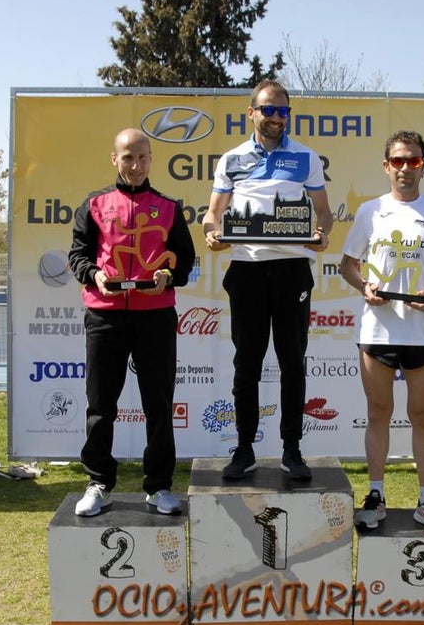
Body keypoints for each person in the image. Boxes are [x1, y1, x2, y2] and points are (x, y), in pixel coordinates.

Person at [202, 80, 334, 482]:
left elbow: (324, 213)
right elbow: (212, 214)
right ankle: (244, 448)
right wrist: (211, 233)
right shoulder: (231, 159)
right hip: (246, 271)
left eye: (283, 111)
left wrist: (322, 234)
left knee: (293, 363)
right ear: (251, 112)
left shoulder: (306, 158)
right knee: (248, 363)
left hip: (293, 268)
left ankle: (292, 451)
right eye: (268, 110)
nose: (276, 117)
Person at [338, 131, 424, 534]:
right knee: (378, 414)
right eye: (398, 160)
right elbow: (347, 265)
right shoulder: (370, 211)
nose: (405, 168)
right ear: (386, 165)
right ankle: (375, 495)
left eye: (413, 160)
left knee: (421, 416)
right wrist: (365, 288)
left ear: (423, 164)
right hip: (379, 330)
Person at [67, 128, 196, 517]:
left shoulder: (169, 207)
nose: (136, 166)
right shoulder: (93, 204)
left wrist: (167, 279)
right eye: (128, 158)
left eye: (142, 157)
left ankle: (158, 487)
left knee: (158, 404)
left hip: (155, 317)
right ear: (115, 159)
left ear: (151, 159)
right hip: (104, 316)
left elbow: (186, 263)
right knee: (100, 404)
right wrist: (95, 275)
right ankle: (98, 483)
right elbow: (77, 256)